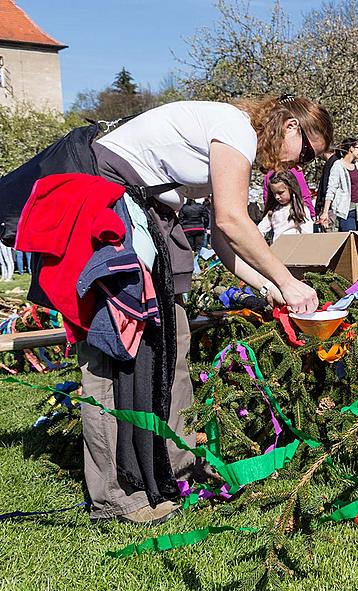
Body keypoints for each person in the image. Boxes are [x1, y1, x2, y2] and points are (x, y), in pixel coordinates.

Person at [70, 95, 330, 524]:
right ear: (290, 128)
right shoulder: (236, 129)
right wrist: (288, 280)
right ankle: (114, 493)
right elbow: (232, 220)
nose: (299, 167)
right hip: (109, 213)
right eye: (306, 154)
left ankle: (178, 467)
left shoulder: (232, 144)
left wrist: (268, 286)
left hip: (149, 218)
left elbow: (224, 241)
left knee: (175, 343)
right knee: (112, 349)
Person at [321, 138, 358, 232]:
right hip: (346, 210)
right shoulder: (338, 166)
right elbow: (331, 190)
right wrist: (325, 212)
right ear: (351, 148)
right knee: (350, 239)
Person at [257, 170, 314, 242]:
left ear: (291, 189)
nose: (277, 197)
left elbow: (307, 234)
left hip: (294, 248)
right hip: (277, 249)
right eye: (274, 193)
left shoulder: (299, 210)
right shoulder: (273, 211)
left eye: (280, 193)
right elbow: (260, 230)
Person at [315, 146, 338, 231]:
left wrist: (325, 210)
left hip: (330, 209)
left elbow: (327, 189)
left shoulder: (333, 164)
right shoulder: (333, 162)